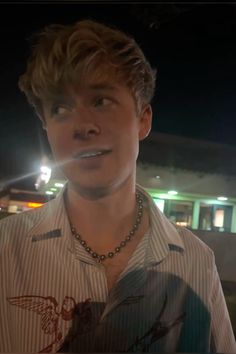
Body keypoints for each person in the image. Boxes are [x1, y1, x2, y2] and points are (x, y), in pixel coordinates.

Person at [0, 19, 235, 353]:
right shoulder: (5, 252)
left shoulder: (196, 263)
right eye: (61, 108)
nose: (81, 125)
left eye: (101, 101)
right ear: (46, 127)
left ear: (143, 119)